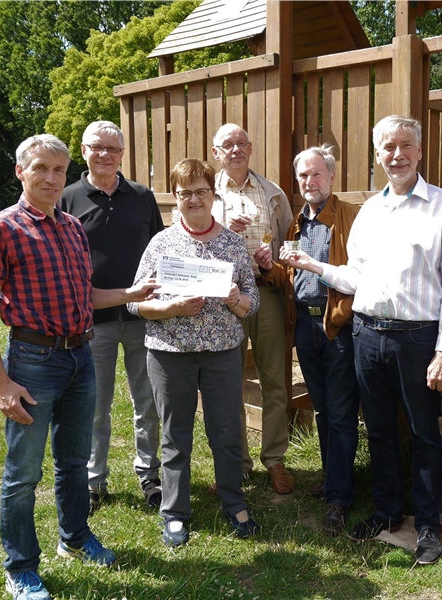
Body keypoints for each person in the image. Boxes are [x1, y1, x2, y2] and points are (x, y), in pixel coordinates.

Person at [0, 134, 157, 600]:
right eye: (41, 169)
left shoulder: (72, 226)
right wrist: (1, 382)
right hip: (33, 362)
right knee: (23, 472)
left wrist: (129, 296)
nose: (51, 178)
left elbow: (85, 297)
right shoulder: (2, 228)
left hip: (80, 357)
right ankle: (21, 567)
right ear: (21, 172)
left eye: (58, 169)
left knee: (74, 463)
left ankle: (74, 536)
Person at [283, 116, 442, 565]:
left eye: (406, 145)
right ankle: (387, 511)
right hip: (366, 334)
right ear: (377, 155)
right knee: (380, 430)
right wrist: (313, 265)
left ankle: (426, 524)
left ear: (419, 151)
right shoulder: (370, 210)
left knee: (424, 433)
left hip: (417, 338)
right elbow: (355, 276)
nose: (397, 154)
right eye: (388, 147)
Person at [127, 158, 261, 545]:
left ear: (213, 195)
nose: (194, 200)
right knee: (175, 435)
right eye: (185, 193)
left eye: (201, 191)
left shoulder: (232, 244)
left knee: (226, 432)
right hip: (170, 353)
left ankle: (235, 502)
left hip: (221, 352)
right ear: (175, 199)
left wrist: (237, 299)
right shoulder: (162, 244)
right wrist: (170, 308)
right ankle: (174, 511)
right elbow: (136, 303)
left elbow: (252, 302)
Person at [255, 145, 361, 536]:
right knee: (321, 409)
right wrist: (271, 267)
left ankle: (340, 495)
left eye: (316, 174)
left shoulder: (349, 217)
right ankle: (335, 481)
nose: (309, 182)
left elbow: (357, 272)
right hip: (304, 326)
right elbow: (290, 278)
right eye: (303, 176)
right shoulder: (296, 224)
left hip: (338, 325)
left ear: (332, 177)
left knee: (341, 410)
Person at [61, 121, 164, 513]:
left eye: (112, 148)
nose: (104, 154)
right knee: (95, 405)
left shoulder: (141, 196)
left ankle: (149, 474)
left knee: (147, 401)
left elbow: (160, 248)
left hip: (142, 317)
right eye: (96, 147)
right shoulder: (68, 198)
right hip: (92, 320)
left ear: (122, 153)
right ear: (84, 150)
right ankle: (94, 480)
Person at [211, 123, 295, 494]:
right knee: (228, 384)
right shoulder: (205, 193)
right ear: (216, 153)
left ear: (251, 147)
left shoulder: (272, 192)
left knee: (276, 380)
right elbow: (187, 241)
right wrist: (221, 229)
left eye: (241, 142)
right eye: (227, 145)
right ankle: (237, 465)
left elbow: (292, 245)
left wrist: (272, 262)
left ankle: (275, 460)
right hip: (224, 300)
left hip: (267, 293)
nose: (235, 150)